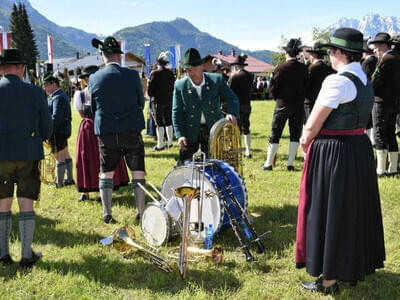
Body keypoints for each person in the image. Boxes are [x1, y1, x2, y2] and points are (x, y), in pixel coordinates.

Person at [296, 28, 385, 294]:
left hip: (333, 152)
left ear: (339, 53)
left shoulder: (337, 81)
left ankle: (328, 280)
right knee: (352, 210)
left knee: (329, 211)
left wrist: (304, 142)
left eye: (331, 52)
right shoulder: (364, 79)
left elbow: (313, 124)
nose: (330, 57)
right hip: (358, 149)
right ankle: (352, 266)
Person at [0, 49, 53, 268]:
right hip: (28, 154)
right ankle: (25, 255)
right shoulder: (35, 92)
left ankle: (2, 254)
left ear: (2, 68)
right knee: (26, 203)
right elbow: (47, 128)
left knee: (2, 204)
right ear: (22, 68)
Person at [90, 36, 146, 223]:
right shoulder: (132, 75)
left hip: (106, 130)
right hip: (131, 128)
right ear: (118, 56)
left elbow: (93, 108)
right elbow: (140, 101)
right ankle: (140, 211)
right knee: (137, 170)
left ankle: (107, 213)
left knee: (106, 171)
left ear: (103, 56)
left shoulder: (94, 78)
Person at [172, 48, 239, 164]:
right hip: (190, 130)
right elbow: (176, 111)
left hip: (212, 128)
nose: (190, 74)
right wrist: (180, 135)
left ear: (202, 66)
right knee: (185, 165)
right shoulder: (180, 85)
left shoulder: (216, 80)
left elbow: (232, 98)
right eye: (188, 70)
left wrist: (231, 113)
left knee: (213, 164)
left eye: (193, 70)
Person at [73, 65, 129, 202]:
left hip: (104, 127)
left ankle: (105, 189)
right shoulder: (80, 94)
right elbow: (82, 114)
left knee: (106, 157)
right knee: (86, 158)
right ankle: (86, 191)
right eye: (87, 78)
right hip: (88, 130)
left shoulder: (105, 92)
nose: (88, 80)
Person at [262, 38, 308, 171]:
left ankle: (268, 163)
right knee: (295, 134)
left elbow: (273, 87)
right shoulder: (303, 68)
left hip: (282, 104)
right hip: (298, 105)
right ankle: (290, 163)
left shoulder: (280, 68)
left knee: (275, 134)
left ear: (286, 53)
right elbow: (306, 86)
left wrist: (277, 99)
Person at [369, 32, 400, 176]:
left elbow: (375, 80)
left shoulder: (385, 59)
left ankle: (380, 169)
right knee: (391, 134)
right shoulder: (396, 58)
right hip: (394, 102)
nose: (374, 50)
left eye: (376, 47)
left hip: (381, 101)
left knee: (379, 133)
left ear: (383, 46)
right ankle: (393, 167)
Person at [43, 72, 73, 187]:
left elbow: (56, 117)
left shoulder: (58, 97)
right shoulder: (59, 95)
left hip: (57, 132)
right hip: (62, 130)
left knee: (59, 156)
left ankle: (59, 183)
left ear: (53, 84)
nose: (44, 87)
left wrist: (48, 131)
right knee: (65, 154)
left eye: (46, 85)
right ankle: (69, 179)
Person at [147, 52, 175, 151]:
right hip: (169, 100)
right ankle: (170, 142)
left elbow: (150, 91)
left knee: (159, 123)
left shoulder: (154, 73)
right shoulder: (171, 73)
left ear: (158, 63)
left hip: (157, 101)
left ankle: (160, 145)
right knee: (168, 121)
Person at [229, 54, 254, 158]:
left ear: (236, 66)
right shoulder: (250, 76)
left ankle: (238, 150)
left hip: (237, 105)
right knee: (246, 127)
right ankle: (248, 151)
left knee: (236, 128)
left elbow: (230, 92)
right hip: (247, 104)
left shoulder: (234, 77)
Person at [304, 42, 335, 121]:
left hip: (311, 101)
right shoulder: (329, 68)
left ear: (314, 55)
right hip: (326, 101)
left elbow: (306, 85)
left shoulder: (311, 68)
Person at [361, 39, 378, 144]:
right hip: (376, 93)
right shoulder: (376, 60)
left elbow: (364, 80)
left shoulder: (366, 63)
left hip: (368, 94)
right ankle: (373, 139)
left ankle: (369, 140)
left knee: (367, 119)